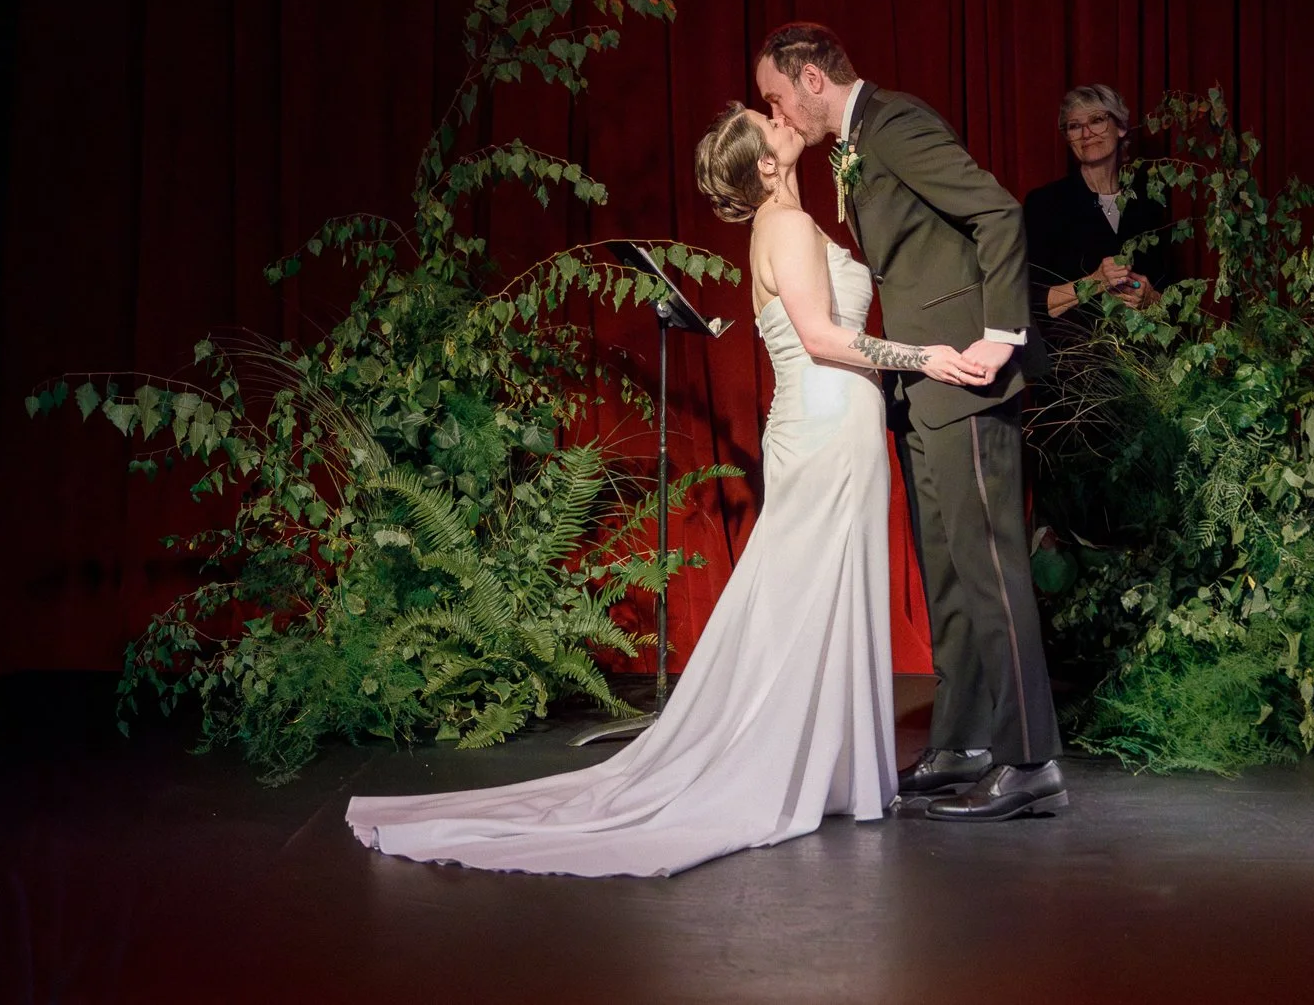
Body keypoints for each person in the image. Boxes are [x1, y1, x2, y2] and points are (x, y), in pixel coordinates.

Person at [344, 103, 979, 877]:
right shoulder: (784, 228)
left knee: (815, 591)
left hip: (825, 418)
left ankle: (824, 766)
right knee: (805, 591)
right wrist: (926, 356)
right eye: (769, 118)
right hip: (824, 416)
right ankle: (789, 765)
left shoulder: (786, 223)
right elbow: (820, 337)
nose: (783, 115)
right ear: (768, 163)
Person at [755, 21, 1067, 822]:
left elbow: (997, 213)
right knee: (947, 567)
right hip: (923, 384)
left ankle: (1029, 757)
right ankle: (963, 738)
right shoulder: (853, 147)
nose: (778, 111)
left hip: (964, 373)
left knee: (988, 562)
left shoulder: (893, 124)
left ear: (812, 78)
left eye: (777, 95)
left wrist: (998, 339)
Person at [1022, 83, 1170, 346]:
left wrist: (1151, 298)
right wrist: (1094, 282)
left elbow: (1174, 295)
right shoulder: (1045, 204)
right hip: (1074, 369)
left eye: (1097, 120)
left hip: (1144, 367)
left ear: (1121, 127)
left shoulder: (1150, 202)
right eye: (1074, 126)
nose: (1086, 133)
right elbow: (1030, 299)